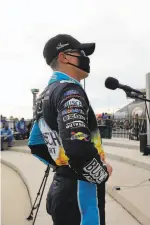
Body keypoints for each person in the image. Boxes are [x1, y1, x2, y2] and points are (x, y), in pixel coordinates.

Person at [28, 34, 113, 225]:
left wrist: (62, 167)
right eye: (80, 53)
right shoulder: (70, 91)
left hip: (62, 188)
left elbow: (35, 144)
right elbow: (77, 146)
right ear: (63, 57)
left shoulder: (44, 96)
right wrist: (101, 173)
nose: (85, 57)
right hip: (80, 193)